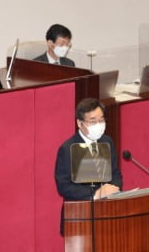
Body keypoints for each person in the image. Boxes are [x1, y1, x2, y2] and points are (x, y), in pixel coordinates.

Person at [55, 98, 122, 234]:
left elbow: (115, 174)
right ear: (80, 123)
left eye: (101, 120)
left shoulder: (107, 142)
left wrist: (114, 188)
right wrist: (96, 194)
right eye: (93, 121)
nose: (99, 124)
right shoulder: (68, 148)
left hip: (107, 214)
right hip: (78, 217)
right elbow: (64, 186)